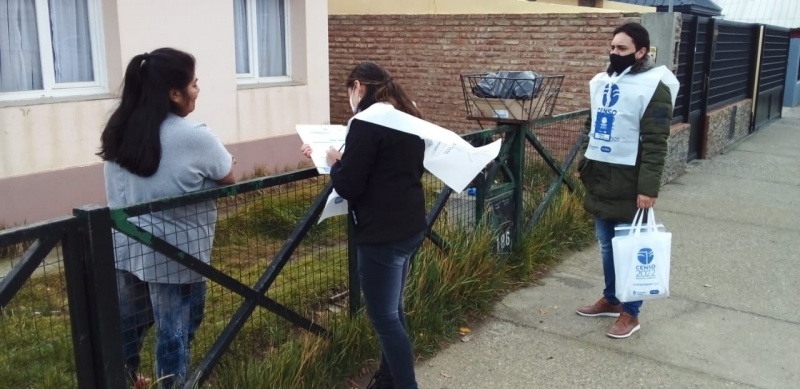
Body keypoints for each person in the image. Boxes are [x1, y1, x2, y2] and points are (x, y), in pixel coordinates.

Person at [97, 48, 236, 388]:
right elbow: (228, 175)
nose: (198, 89)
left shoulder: (119, 129)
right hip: (177, 256)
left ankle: (123, 380)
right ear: (174, 94)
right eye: (193, 83)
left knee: (128, 327)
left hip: (126, 249)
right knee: (176, 332)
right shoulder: (194, 136)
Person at [300, 61, 425, 389]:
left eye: (349, 92)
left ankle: (405, 385)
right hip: (410, 224)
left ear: (357, 86)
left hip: (381, 232)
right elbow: (388, 166)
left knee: (385, 319)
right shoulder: (406, 115)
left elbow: (349, 186)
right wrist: (341, 161)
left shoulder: (365, 122)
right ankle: (387, 379)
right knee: (393, 310)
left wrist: (332, 164)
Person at [575, 23, 676, 339]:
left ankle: (631, 313)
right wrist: (585, 164)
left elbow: (657, 141)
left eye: (622, 49)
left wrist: (648, 188)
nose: (614, 53)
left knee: (632, 249)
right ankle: (612, 299)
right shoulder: (604, 82)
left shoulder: (654, 86)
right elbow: (592, 124)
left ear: (641, 52)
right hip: (601, 178)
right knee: (607, 246)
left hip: (630, 183)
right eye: (612, 47)